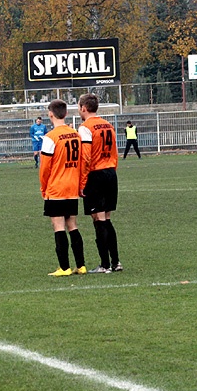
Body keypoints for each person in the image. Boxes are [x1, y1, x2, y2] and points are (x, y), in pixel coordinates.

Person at [40, 100, 87, 276]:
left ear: (50, 114)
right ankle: (81, 265)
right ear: (66, 114)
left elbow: (45, 168)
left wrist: (44, 189)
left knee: (58, 226)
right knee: (72, 225)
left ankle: (64, 267)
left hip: (57, 187)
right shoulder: (75, 134)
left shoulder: (50, 137)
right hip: (72, 187)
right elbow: (82, 161)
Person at [78, 93, 122, 273]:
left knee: (98, 219)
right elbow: (115, 152)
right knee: (107, 218)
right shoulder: (108, 125)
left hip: (95, 175)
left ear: (83, 108)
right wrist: (112, 171)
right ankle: (116, 262)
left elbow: (86, 156)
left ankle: (104, 265)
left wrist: (82, 182)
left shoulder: (85, 127)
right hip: (110, 172)